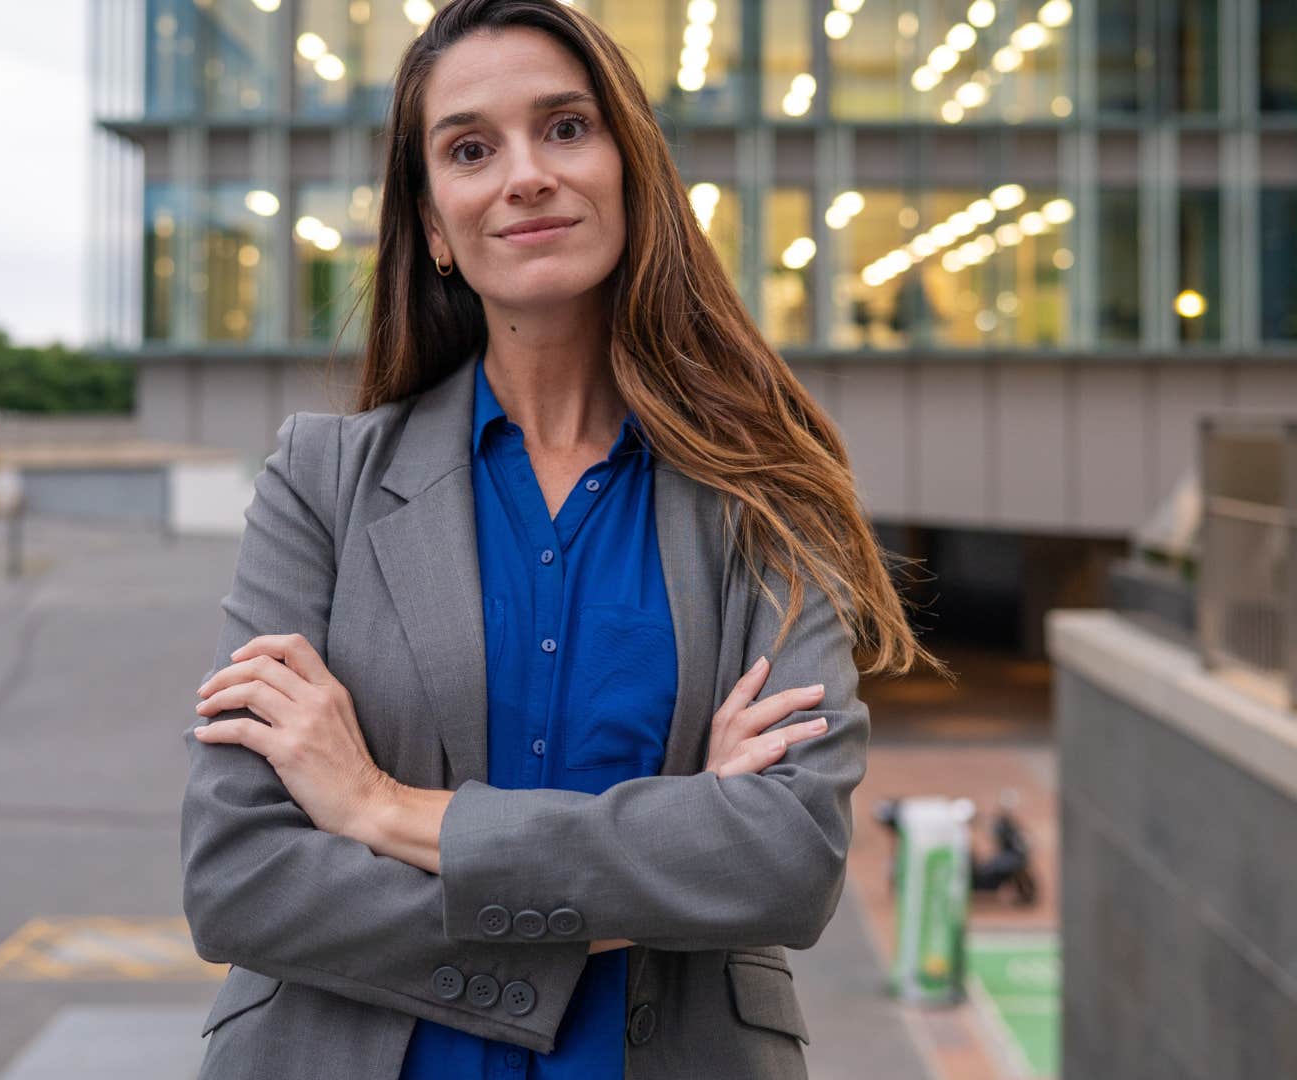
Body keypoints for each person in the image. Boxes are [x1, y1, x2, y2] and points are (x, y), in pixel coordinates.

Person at [178, 0, 932, 1076]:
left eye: (566, 128)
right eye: (470, 149)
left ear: (630, 170)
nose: (526, 175)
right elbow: (239, 879)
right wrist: (661, 863)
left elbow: (783, 861)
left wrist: (379, 808)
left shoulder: (766, 494)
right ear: (434, 225)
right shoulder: (322, 483)